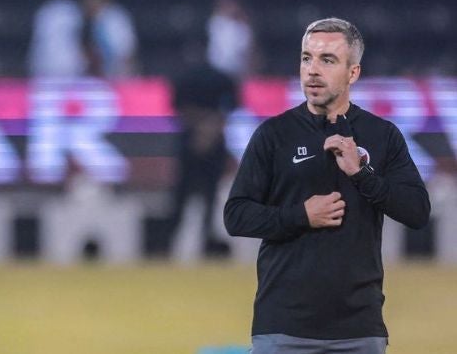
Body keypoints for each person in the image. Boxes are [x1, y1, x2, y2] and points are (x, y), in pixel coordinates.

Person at [224, 18, 430, 353]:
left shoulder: (382, 135)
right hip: (283, 327)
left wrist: (361, 175)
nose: (312, 70)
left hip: (359, 329)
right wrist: (300, 216)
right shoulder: (274, 135)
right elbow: (236, 215)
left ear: (353, 73)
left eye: (327, 60)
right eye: (307, 58)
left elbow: (418, 212)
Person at [167, 48, 238, 257]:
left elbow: (177, 108)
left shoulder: (183, 78)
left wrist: (201, 129)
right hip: (208, 140)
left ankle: (179, 245)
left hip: (192, 141)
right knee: (206, 195)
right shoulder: (223, 78)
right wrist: (210, 127)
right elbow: (232, 107)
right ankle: (199, 244)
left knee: (186, 196)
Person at [81, 0, 138, 78]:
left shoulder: (115, 17)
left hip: (120, 68)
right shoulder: (94, 20)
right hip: (105, 70)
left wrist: (126, 68)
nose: (88, 3)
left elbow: (126, 47)